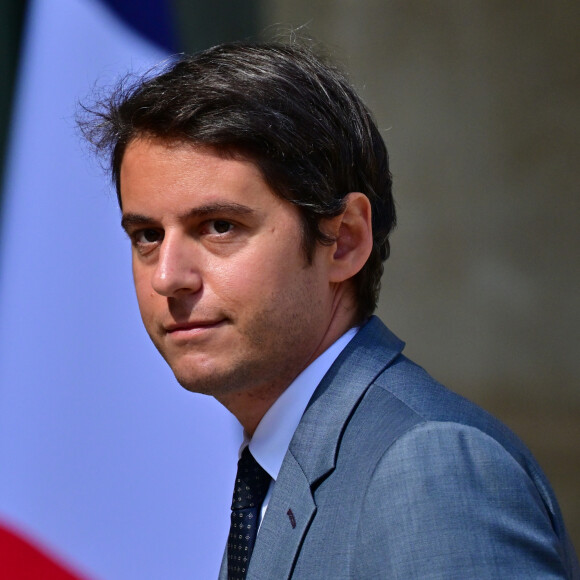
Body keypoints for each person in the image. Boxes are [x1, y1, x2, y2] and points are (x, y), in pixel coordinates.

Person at [80, 41, 579, 579]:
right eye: (147, 235)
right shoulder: (274, 474)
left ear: (343, 241)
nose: (168, 277)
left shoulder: (429, 468)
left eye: (219, 226)